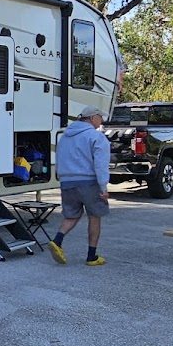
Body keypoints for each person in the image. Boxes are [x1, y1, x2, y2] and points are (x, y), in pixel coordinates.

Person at [49, 106, 110, 266]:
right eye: (100, 117)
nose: (101, 120)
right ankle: (92, 257)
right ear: (92, 118)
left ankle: (57, 240)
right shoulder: (96, 137)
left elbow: (60, 158)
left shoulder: (65, 136)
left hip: (67, 182)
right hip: (89, 183)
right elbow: (101, 164)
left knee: (72, 215)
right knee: (94, 217)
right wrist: (103, 187)